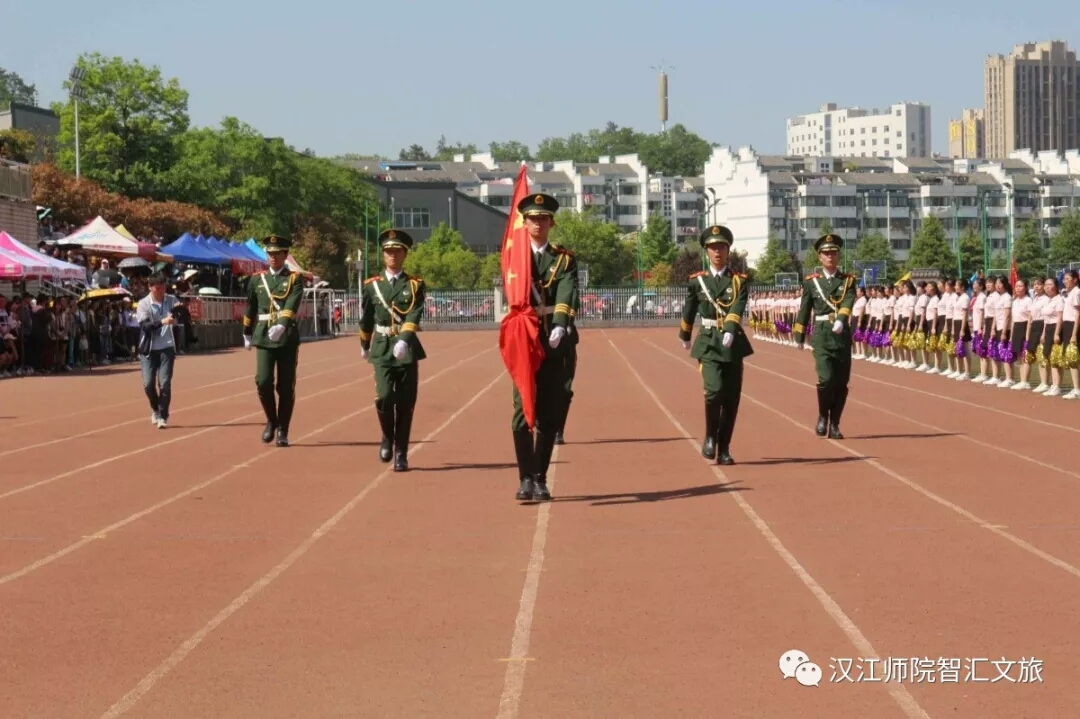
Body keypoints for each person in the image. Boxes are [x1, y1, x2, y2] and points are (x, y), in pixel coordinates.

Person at [510, 192, 577, 502]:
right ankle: (524, 477)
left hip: (554, 341)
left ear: (551, 222)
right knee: (523, 413)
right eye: (532, 218)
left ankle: (540, 477)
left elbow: (565, 292)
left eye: (543, 218)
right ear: (524, 223)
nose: (538, 223)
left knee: (549, 412)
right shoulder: (514, 259)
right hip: (525, 342)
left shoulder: (564, 259)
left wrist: (561, 323)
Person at [678, 224, 753, 465]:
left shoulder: (739, 281)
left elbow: (737, 308)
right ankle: (710, 437)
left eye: (721, 247)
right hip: (709, 342)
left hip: (733, 344)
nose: (717, 252)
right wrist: (685, 334)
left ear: (728, 250)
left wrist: (731, 329)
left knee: (731, 398)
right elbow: (689, 309)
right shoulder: (697, 281)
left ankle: (724, 447)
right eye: (712, 248)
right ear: (706, 252)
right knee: (714, 391)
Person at [358, 228, 427, 471]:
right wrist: (364, 344)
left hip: (406, 348)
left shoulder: (415, 285)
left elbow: (415, 313)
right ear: (383, 254)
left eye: (397, 251)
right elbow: (366, 317)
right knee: (385, 398)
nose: (392, 255)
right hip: (382, 347)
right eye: (388, 251)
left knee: (406, 403)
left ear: (404, 254)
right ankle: (387, 436)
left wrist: (404, 339)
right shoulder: (372, 286)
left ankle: (401, 452)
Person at [242, 234, 305, 447]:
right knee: (263, 381)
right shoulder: (257, 279)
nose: (272, 257)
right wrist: (246, 331)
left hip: (286, 337)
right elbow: (250, 306)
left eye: (277, 253)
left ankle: (283, 430)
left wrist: (282, 324)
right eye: (269, 253)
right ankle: (271, 419)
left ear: (285, 254)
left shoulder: (295, 279)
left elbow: (292, 303)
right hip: (263, 335)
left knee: (285, 386)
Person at [792, 233, 857, 440]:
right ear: (819, 257)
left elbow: (848, 301)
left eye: (834, 253)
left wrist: (842, 318)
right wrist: (799, 334)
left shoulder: (848, 281)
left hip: (842, 336)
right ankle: (822, 416)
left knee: (841, 383)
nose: (830, 256)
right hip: (821, 335)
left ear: (839, 256)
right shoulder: (812, 282)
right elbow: (805, 309)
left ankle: (835, 423)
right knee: (825, 379)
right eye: (826, 253)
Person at [135, 272, 179, 429]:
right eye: (157, 289)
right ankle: (155, 409)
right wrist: (162, 321)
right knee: (148, 384)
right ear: (150, 288)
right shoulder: (143, 304)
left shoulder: (172, 300)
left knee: (165, 383)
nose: (161, 292)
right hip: (148, 349)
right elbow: (145, 326)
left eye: (163, 288)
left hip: (167, 347)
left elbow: (181, 315)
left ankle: (163, 415)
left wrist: (179, 315)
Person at [553, 251, 580, 445]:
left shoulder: (569, 281)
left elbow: (572, 299)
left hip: (566, 339)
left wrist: (567, 322)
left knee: (564, 387)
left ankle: (558, 430)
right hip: (541, 334)